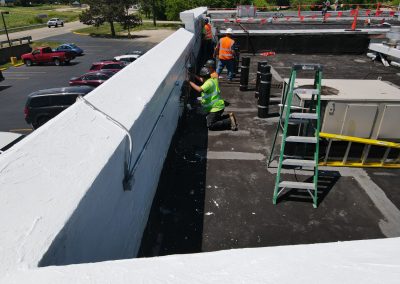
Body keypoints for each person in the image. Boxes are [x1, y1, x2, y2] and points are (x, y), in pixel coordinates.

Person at [189, 67, 238, 131]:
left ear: (203, 76)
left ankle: (229, 121)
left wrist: (189, 82)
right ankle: (229, 116)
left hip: (215, 108)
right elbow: (201, 79)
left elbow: (199, 89)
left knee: (211, 125)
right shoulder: (212, 80)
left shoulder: (208, 83)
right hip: (218, 106)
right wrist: (193, 75)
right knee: (213, 119)